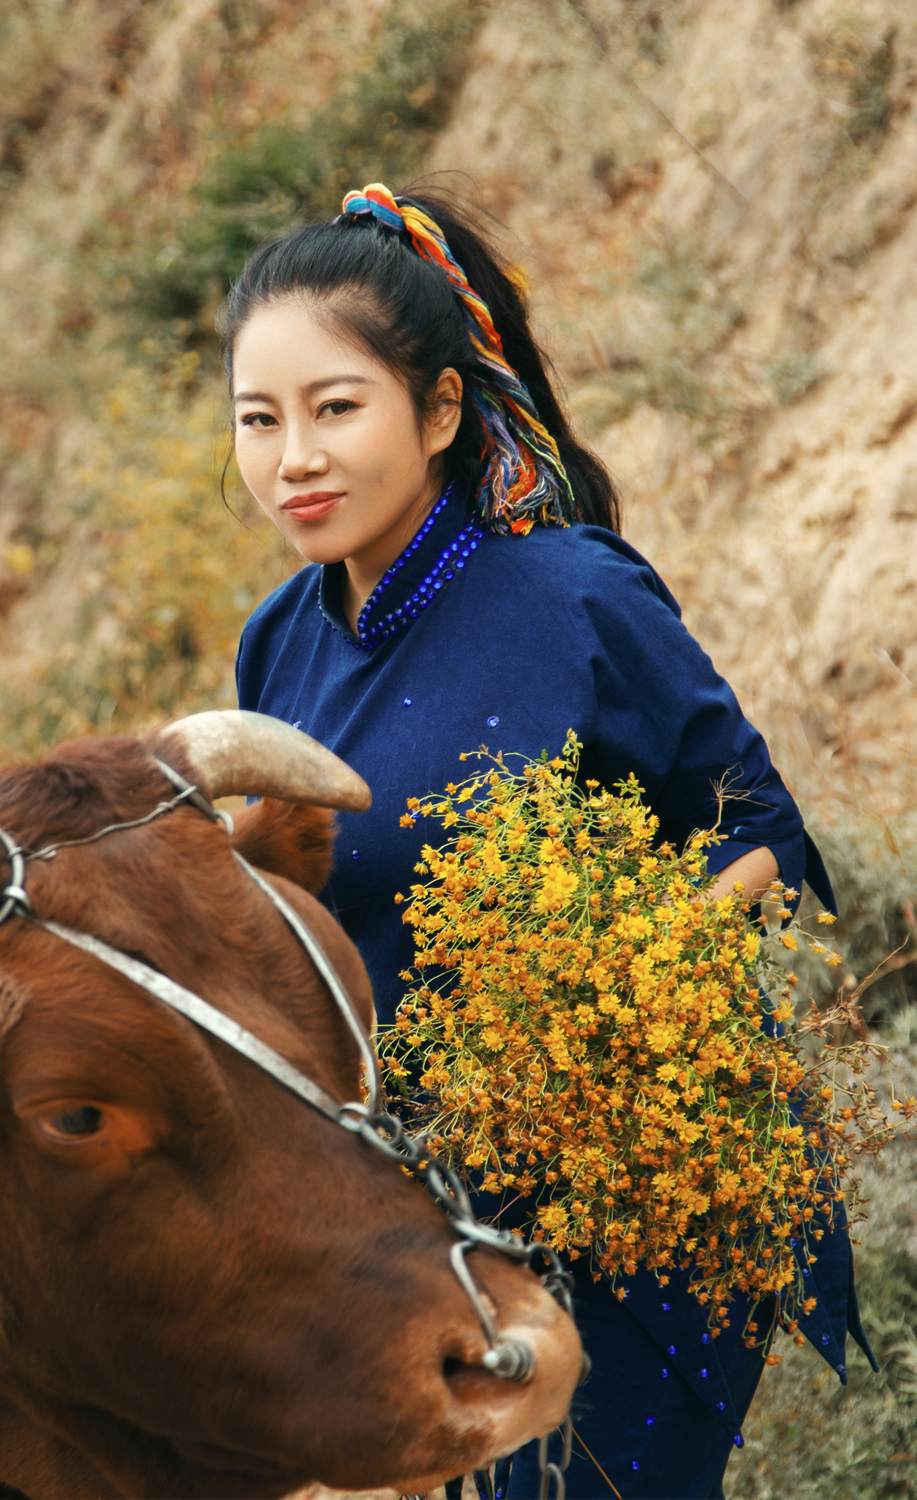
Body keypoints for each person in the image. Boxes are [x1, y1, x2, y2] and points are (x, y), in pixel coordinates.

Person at [227, 183, 873, 1499]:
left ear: (443, 409)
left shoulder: (573, 597)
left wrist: (620, 981)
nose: (293, 456)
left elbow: (762, 821)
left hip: (632, 1197)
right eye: (259, 419)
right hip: (412, 1227)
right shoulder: (276, 644)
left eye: (334, 408)